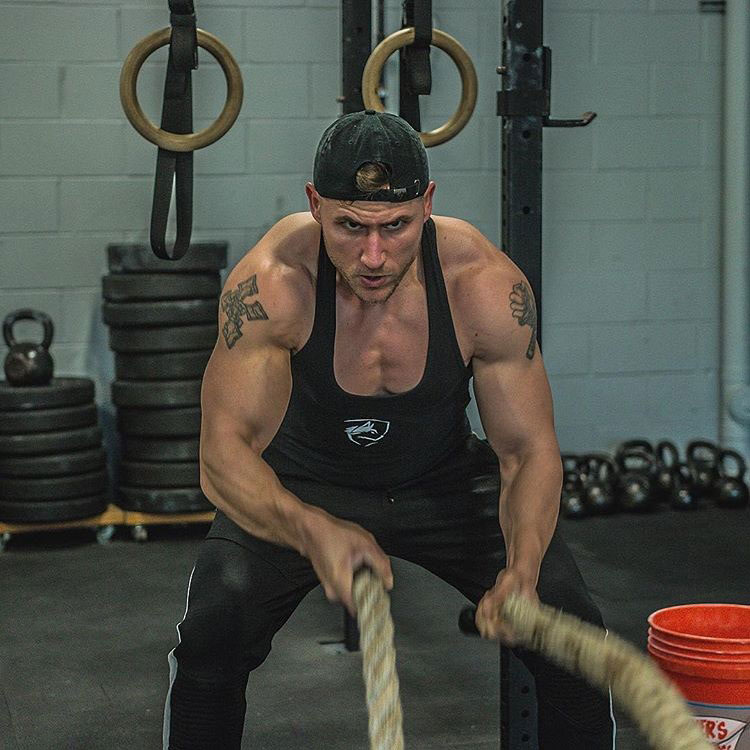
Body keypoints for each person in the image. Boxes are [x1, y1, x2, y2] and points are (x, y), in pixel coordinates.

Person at [162, 110, 615, 749]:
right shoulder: (272, 285)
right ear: (315, 206)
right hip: (304, 484)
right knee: (215, 625)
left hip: (443, 481)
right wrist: (310, 528)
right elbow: (222, 456)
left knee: (570, 631)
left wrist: (523, 568)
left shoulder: (482, 286)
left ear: (427, 205)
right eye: (350, 226)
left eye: (395, 227)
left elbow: (527, 451)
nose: (373, 255)